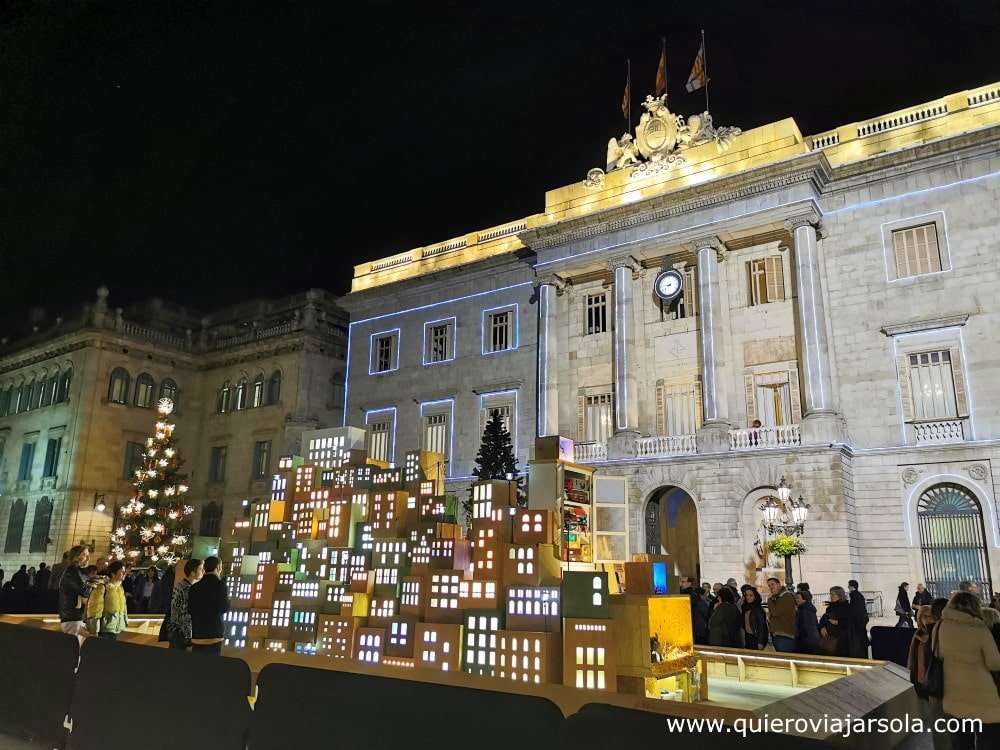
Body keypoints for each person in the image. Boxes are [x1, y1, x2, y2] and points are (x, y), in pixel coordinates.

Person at [936, 592, 1000, 749]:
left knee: (961, 740)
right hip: (981, 695)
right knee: (988, 738)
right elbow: (994, 663)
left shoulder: (940, 626)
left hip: (954, 694)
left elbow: (937, 653)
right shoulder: (978, 627)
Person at [189, 556, 230, 655]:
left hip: (197, 634)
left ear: (204, 569)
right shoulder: (220, 585)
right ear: (218, 567)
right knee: (211, 666)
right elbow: (224, 608)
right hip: (214, 635)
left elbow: (189, 609)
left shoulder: (194, 587)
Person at [58, 545, 94, 638]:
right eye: (85, 555)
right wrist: (93, 584)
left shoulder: (79, 572)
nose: (88, 558)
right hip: (72, 618)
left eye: (88, 555)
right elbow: (85, 591)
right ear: (76, 557)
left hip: (77, 618)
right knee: (73, 650)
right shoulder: (72, 572)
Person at [86, 561, 128, 640]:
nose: (125, 573)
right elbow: (94, 611)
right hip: (106, 632)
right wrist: (94, 632)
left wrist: (125, 624)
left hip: (119, 631)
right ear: (113, 574)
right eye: (122, 571)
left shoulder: (120, 589)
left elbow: (124, 609)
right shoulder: (102, 588)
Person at [167, 558, 203, 650]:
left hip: (173, 629)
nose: (202, 571)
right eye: (200, 569)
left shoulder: (179, 585)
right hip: (181, 633)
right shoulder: (188, 590)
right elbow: (185, 614)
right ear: (192, 573)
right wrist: (188, 639)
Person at [819, 586, 854, 657]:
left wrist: (838, 622)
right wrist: (822, 627)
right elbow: (824, 618)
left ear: (839, 595)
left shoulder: (846, 607)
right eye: (830, 594)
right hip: (829, 637)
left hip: (842, 639)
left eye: (832, 594)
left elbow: (850, 622)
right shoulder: (830, 607)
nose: (830, 596)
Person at [765, 577, 797, 652]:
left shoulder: (786, 596)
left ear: (779, 585)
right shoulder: (777, 598)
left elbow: (775, 612)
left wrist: (769, 600)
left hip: (785, 635)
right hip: (778, 634)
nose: (771, 587)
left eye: (772, 584)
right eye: (769, 586)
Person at [847, 579, 870, 658]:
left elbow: (855, 611)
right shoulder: (859, 595)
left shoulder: (854, 596)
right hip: (861, 621)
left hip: (857, 623)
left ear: (851, 586)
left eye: (849, 586)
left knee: (858, 643)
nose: (848, 587)